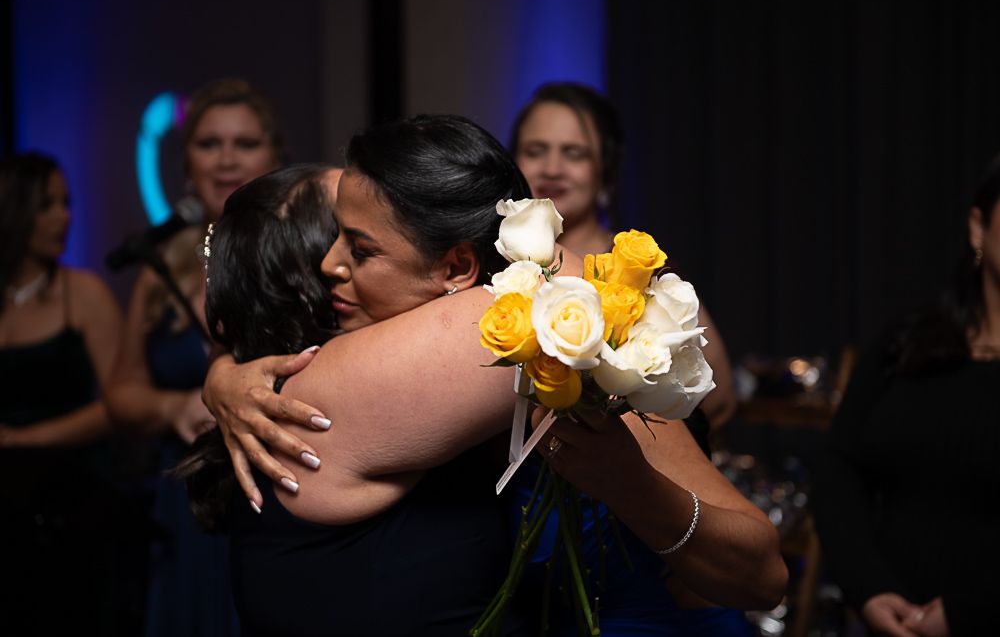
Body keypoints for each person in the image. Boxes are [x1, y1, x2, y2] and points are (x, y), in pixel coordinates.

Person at [202, 114, 787, 634]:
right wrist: (224, 371)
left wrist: (631, 484)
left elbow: (762, 574)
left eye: (359, 247)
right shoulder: (446, 379)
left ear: (457, 268)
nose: (329, 265)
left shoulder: (573, 346)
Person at [105, 78, 284, 636]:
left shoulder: (305, 258)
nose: (226, 158)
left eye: (245, 143)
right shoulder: (159, 272)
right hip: (186, 499)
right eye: (209, 144)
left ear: (275, 159)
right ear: (188, 166)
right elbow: (121, 394)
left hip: (275, 491)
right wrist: (175, 407)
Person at [812, 158, 1000, 637]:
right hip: (885, 619)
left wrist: (967, 612)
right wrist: (868, 588)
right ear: (978, 227)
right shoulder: (911, 341)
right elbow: (839, 468)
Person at [509, 81, 737, 433]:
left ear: (605, 168)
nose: (552, 168)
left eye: (574, 153)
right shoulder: (501, 263)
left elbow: (718, 400)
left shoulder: (636, 269)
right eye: (535, 151)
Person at [0, 153, 126, 633]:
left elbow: (121, 406)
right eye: (46, 205)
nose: (64, 217)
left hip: (72, 500)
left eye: (66, 203)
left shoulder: (84, 293)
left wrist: (21, 439)